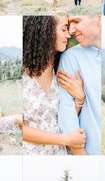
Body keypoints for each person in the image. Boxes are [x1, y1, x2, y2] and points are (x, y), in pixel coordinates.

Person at [23, 16, 86, 155]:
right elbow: (20, 128)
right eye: (63, 29)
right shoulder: (22, 75)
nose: (69, 34)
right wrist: (65, 139)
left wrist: (79, 98)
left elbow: (63, 117)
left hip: (60, 154)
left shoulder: (61, 70)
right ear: (45, 31)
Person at [57, 15, 101, 155]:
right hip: (90, 152)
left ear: (99, 18)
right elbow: (66, 110)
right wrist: (80, 155)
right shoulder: (71, 57)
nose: (71, 31)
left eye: (76, 21)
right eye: (68, 25)